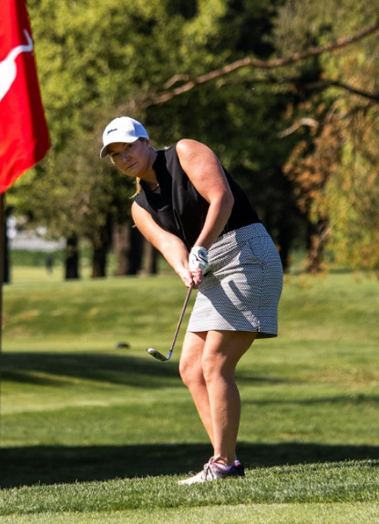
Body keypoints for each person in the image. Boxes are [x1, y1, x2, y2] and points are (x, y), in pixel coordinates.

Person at [100, 115, 283, 484]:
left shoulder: (185, 152)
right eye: (115, 155)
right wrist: (186, 268)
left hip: (246, 254)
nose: (124, 158)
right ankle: (223, 460)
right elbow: (170, 245)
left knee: (215, 363)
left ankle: (224, 463)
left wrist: (200, 246)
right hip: (211, 270)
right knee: (190, 368)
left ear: (146, 142)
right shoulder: (139, 206)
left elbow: (222, 198)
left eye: (128, 147)